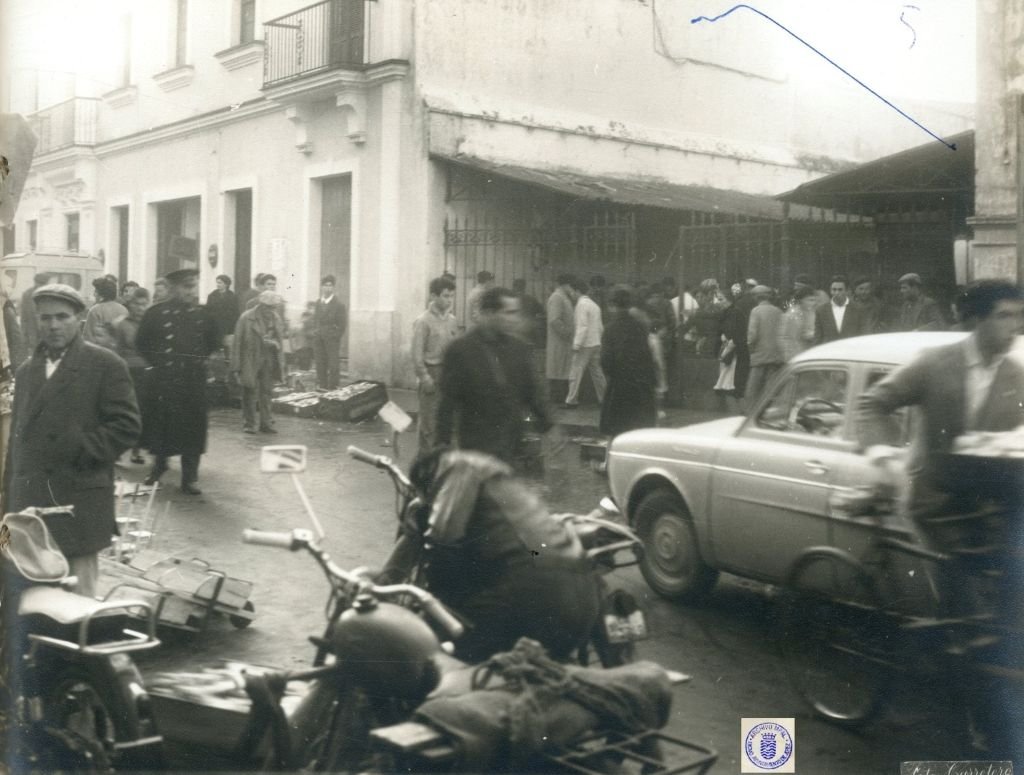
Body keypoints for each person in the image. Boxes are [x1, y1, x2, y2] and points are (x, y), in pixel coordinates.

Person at [857, 280, 1024, 618]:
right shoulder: (933, 363)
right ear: (976, 319)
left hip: (989, 503)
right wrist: (882, 456)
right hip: (934, 501)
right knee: (962, 600)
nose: (1015, 327)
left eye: (1019, 317)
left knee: (1010, 589)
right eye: (1004, 316)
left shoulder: (1015, 375)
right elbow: (873, 403)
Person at [378, 447, 601, 663]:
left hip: (535, 598)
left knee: (442, 654)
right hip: (584, 595)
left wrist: (435, 602)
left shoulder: (457, 468)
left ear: (427, 476)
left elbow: (442, 539)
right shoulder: (494, 472)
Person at [3, 284, 140, 597]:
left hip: (78, 499)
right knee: (31, 600)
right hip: (29, 507)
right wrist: (6, 504)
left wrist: (79, 448)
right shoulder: (26, 372)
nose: (53, 325)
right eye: (46, 318)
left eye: (62, 317)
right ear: (37, 320)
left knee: (78, 604)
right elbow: (17, 444)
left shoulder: (104, 365)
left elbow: (127, 426)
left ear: (79, 319)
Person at [437, 286, 554, 465]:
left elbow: (532, 391)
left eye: (516, 313)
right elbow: (447, 403)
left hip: (512, 446)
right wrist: (442, 446)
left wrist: (548, 426)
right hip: (476, 447)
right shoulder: (461, 350)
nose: (514, 319)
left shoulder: (519, 348)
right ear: (489, 313)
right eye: (509, 313)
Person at [136, 268, 219, 494]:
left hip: (192, 380)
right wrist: (159, 362)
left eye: (193, 286)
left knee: (193, 428)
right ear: (173, 288)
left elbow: (214, 341)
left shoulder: (204, 314)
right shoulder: (157, 313)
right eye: (186, 286)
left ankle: (189, 477)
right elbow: (141, 342)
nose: (191, 291)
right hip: (165, 379)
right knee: (162, 427)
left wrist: (199, 361)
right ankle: (158, 467)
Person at [600, 287, 657, 438]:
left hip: (619, 387)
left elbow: (605, 360)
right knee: (638, 432)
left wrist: (613, 375)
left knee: (616, 432)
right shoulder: (639, 327)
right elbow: (648, 358)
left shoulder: (610, 329)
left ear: (612, 305)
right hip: (641, 388)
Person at [411, 276, 458, 453]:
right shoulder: (423, 321)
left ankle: (442, 464)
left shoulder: (452, 320)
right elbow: (416, 355)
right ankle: (427, 465)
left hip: (448, 376)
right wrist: (424, 377)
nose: (449, 300)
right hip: (431, 374)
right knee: (429, 425)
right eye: (446, 296)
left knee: (447, 422)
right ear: (433, 296)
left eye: (452, 296)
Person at [232, 290, 286, 434]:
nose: (271, 310)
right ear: (261, 305)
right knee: (249, 391)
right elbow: (237, 343)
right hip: (250, 358)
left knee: (267, 392)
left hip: (268, 359)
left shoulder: (276, 319)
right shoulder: (246, 318)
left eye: (274, 307)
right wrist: (236, 367)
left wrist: (275, 344)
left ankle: (266, 423)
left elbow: (280, 341)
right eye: (268, 307)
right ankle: (249, 424)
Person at [115, 287, 150, 464]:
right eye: (137, 304)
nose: (140, 308)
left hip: (145, 373)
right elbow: (117, 350)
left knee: (141, 411)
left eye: (144, 304)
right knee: (123, 410)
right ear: (131, 304)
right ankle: (117, 449)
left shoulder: (150, 324)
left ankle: (137, 450)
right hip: (127, 371)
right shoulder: (122, 324)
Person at [565, 279, 606, 407]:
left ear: (577, 291)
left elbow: (582, 326)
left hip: (584, 344)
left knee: (575, 372)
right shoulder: (594, 305)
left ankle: (571, 401)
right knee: (597, 373)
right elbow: (600, 327)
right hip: (596, 343)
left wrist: (576, 345)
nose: (571, 294)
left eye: (572, 291)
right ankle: (605, 399)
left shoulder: (581, 305)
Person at [745, 285, 784, 410]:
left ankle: (750, 415)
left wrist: (749, 349)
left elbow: (752, 335)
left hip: (760, 356)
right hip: (775, 356)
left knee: (752, 391)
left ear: (756, 297)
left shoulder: (756, 311)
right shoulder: (778, 311)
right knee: (770, 390)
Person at [545, 274, 576, 403]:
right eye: (570, 286)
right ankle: (557, 399)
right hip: (560, 341)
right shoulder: (557, 298)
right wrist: (567, 333)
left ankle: (560, 398)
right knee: (558, 369)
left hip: (565, 342)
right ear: (566, 285)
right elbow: (554, 320)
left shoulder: (564, 297)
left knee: (563, 369)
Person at [313, 275, 347, 390]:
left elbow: (342, 325)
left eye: (330, 285)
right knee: (320, 363)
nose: (328, 288)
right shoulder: (318, 303)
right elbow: (315, 319)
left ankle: (333, 387)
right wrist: (316, 332)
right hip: (319, 338)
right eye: (325, 285)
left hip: (331, 339)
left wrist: (334, 336)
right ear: (321, 287)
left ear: (333, 288)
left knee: (333, 365)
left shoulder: (339, 305)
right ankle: (322, 386)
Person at [814, 275, 864, 344]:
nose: (836, 293)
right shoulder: (821, 311)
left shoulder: (858, 309)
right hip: (829, 352)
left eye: (840, 290)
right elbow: (818, 337)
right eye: (834, 290)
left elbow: (862, 335)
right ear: (830, 290)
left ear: (846, 291)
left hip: (850, 351)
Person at [82, 277, 128, 350]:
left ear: (102, 294)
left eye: (96, 291)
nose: (94, 294)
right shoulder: (124, 309)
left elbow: (88, 337)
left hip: (100, 353)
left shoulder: (95, 310)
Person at [778, 285, 818, 361]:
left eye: (814, 300)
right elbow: (788, 337)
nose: (814, 303)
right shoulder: (792, 315)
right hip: (794, 355)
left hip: (807, 354)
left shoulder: (811, 313)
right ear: (801, 300)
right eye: (810, 300)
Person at [206, 274, 239, 351]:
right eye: (217, 282)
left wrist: (233, 328)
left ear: (226, 284)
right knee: (216, 347)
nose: (218, 285)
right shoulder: (212, 295)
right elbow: (207, 310)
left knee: (227, 347)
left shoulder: (233, 296)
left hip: (228, 326)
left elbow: (235, 313)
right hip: (215, 325)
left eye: (220, 283)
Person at [20, 272, 51, 354]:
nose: (44, 286)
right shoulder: (27, 295)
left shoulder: (50, 294)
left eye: (45, 284)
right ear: (36, 283)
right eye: (41, 284)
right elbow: (23, 317)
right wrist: (24, 336)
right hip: (32, 333)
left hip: (46, 332)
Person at [512, 278, 545, 350]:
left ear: (514, 287)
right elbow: (542, 311)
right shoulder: (530, 299)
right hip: (528, 333)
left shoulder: (509, 299)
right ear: (524, 287)